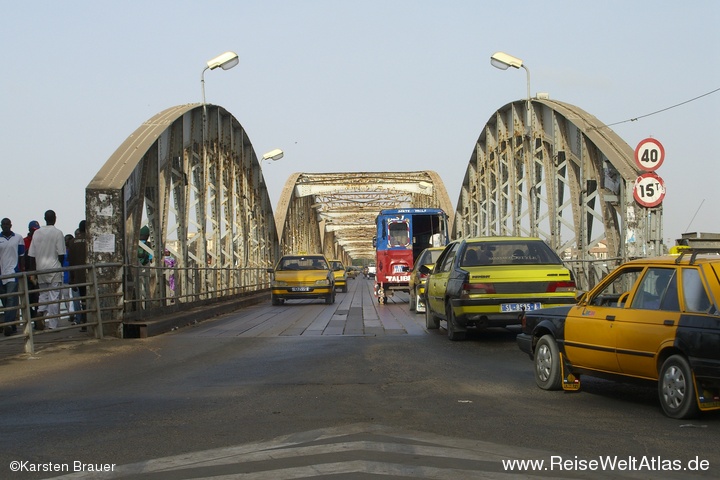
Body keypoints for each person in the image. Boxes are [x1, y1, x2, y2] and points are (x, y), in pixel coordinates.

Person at [28, 210, 66, 330]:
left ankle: (40, 311)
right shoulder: (58, 233)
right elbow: (61, 254)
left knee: (43, 295)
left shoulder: (37, 233)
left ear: (44, 218)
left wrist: (33, 272)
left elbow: (31, 255)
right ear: (55, 218)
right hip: (54, 268)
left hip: (40, 268)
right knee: (54, 297)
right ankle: (53, 325)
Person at [0, 218, 25, 336]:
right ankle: (12, 324)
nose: (5, 226)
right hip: (1, 274)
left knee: (11, 299)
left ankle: (8, 324)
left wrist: (22, 270)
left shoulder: (18, 238)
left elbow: (21, 256)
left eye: (7, 224)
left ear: (11, 225)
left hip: (13, 273)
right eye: (3, 224)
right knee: (5, 300)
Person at [68, 220, 88, 331]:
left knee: (82, 299)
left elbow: (70, 261)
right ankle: (89, 321)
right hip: (89, 274)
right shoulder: (90, 240)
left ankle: (83, 321)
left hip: (77, 275)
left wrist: (72, 278)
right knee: (89, 299)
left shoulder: (72, 242)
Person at [24, 220, 41, 327]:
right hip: (27, 273)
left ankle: (38, 321)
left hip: (38, 272)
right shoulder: (25, 241)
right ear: (29, 230)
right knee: (28, 299)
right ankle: (30, 320)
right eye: (33, 230)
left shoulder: (40, 240)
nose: (35, 232)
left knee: (38, 298)